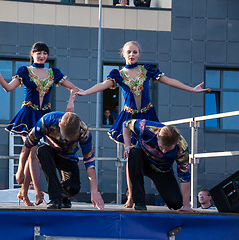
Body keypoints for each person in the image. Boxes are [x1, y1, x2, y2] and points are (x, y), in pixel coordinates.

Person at [76, 40, 210, 208]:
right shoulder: (119, 74)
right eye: (129, 52)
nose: (132, 55)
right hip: (129, 118)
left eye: (135, 52)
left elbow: (169, 80)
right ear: (123, 54)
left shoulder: (146, 70)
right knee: (130, 155)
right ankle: (131, 195)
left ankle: (155, 177)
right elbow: (103, 85)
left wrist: (192, 89)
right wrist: (85, 92)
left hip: (147, 115)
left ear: (139, 53)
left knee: (151, 147)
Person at [0, 42, 77, 206]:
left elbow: (74, 89)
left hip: (45, 118)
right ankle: (37, 191)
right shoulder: (24, 71)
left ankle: (23, 191)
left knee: (34, 154)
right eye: (38, 53)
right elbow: (8, 88)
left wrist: (71, 102)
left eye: (44, 53)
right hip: (28, 116)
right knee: (33, 152)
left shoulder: (53, 73)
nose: (42, 56)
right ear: (32, 54)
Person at [16, 111, 104, 210]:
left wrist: (94, 191)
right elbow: (27, 145)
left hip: (68, 156)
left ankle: (63, 196)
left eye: (71, 139)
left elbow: (89, 162)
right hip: (49, 150)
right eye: (65, 138)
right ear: (59, 125)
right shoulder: (46, 121)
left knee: (73, 188)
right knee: (42, 151)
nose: (66, 141)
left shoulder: (84, 133)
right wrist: (20, 169)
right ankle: (55, 198)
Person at [122, 119, 196, 212]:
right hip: (143, 162)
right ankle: (139, 202)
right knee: (133, 153)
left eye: (167, 150)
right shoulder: (146, 127)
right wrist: (127, 146)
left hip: (162, 170)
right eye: (161, 147)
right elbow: (126, 124)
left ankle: (176, 202)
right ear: (157, 136)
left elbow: (184, 176)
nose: (163, 152)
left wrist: (186, 206)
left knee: (176, 204)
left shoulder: (182, 147)